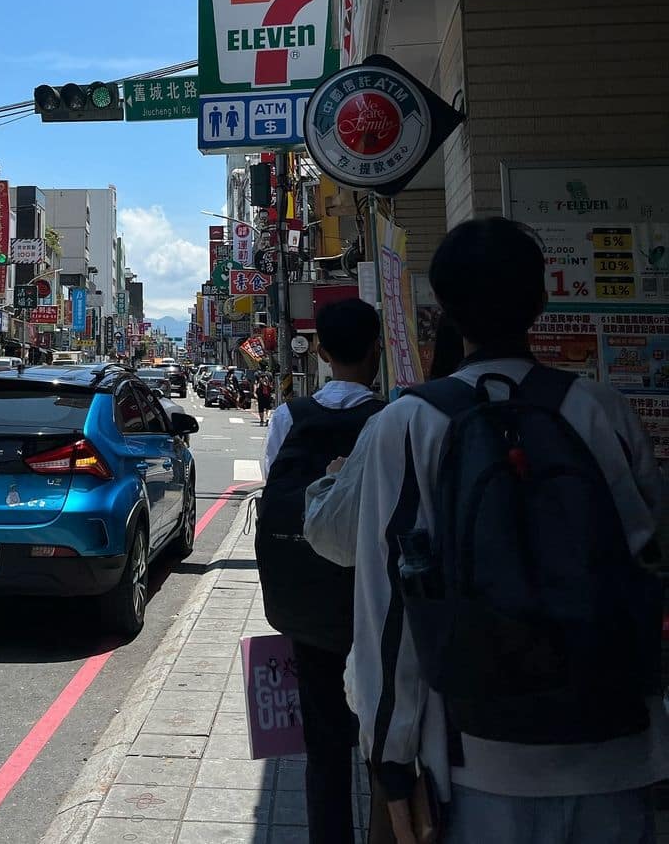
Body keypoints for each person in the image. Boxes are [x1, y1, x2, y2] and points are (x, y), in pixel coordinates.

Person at [305, 218, 668, 844]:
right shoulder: (601, 410)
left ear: (445, 311)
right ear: (541, 300)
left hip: (478, 760)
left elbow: (390, 608)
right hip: (617, 744)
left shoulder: (410, 423)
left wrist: (391, 758)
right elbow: (649, 556)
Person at [255, 298, 384, 843]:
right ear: (377, 349)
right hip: (376, 603)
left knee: (324, 746)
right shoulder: (392, 417)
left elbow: (273, 484)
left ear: (323, 352)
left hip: (308, 604)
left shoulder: (291, 416)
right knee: (386, 743)